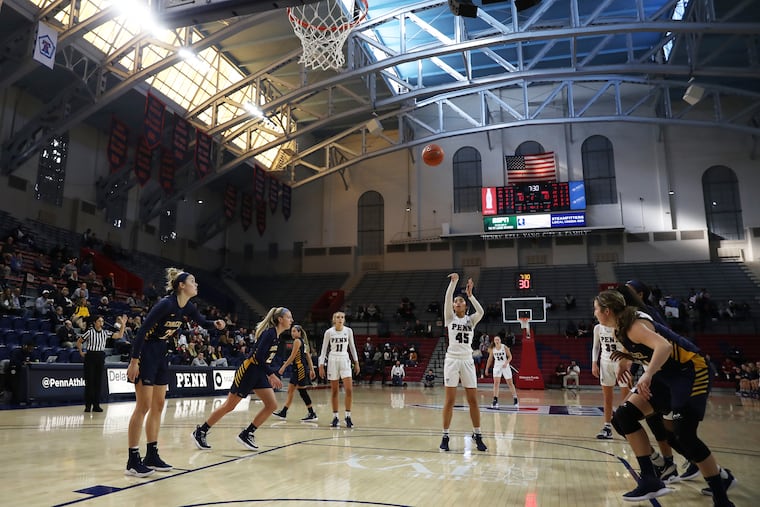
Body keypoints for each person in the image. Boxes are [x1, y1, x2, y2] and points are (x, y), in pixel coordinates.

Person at [594, 289, 736, 506]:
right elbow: (638, 347)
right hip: (666, 376)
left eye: (596, 309)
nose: (594, 313)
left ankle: (721, 497)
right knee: (623, 417)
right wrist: (626, 359)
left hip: (691, 370)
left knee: (683, 434)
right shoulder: (620, 329)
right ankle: (652, 478)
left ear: (606, 311)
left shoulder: (635, 324)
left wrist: (648, 374)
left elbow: (664, 346)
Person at [126, 268, 226, 477]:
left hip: (162, 353)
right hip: (147, 353)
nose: (196, 284)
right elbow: (142, 330)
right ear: (181, 285)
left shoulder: (187, 306)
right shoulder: (166, 304)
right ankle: (133, 459)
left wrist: (215, 324)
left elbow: (202, 322)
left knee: (159, 405)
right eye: (193, 281)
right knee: (143, 406)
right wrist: (134, 362)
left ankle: (151, 454)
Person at [192, 307, 289, 452]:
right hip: (249, 371)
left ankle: (247, 433)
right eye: (289, 317)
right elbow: (257, 357)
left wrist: (268, 373)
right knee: (229, 406)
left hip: (259, 372)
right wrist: (271, 374)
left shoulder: (276, 336)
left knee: (272, 405)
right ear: (280, 319)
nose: (291, 320)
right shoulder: (269, 333)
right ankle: (201, 431)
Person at [440, 273, 487, 452]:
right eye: (456, 301)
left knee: (473, 400)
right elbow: (447, 298)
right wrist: (454, 283)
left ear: (465, 305)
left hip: (467, 360)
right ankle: (445, 436)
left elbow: (481, 312)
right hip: (452, 360)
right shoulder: (450, 318)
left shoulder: (471, 320)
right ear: (453, 305)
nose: (457, 302)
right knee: (449, 400)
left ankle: (478, 434)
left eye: (461, 301)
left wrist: (471, 295)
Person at [77, 314, 126, 413]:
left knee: (98, 382)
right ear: (95, 322)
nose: (101, 323)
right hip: (90, 356)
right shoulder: (89, 332)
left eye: (102, 321)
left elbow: (119, 335)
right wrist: (81, 351)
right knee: (89, 381)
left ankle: (96, 405)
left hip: (100, 356)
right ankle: (88, 405)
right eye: (99, 321)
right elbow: (79, 341)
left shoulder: (105, 333)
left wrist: (123, 325)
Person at [318, 311, 360, 428]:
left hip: (344, 359)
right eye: (337, 317)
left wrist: (356, 362)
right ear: (334, 319)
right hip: (332, 359)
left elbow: (352, 347)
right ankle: (335, 417)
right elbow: (323, 350)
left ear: (344, 319)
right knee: (335, 391)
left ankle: (348, 416)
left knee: (349, 390)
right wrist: (321, 365)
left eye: (342, 317)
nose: (340, 319)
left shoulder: (348, 331)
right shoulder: (329, 332)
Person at [591, 322, 631, 439]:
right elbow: (596, 346)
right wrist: (594, 363)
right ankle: (607, 427)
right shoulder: (598, 328)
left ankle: (627, 427)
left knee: (626, 400)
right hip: (605, 363)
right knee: (607, 399)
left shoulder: (621, 326)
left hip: (621, 363)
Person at [272, 324, 318, 422]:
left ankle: (312, 413)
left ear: (299, 332)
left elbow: (293, 356)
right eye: (291, 331)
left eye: (294, 331)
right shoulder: (302, 342)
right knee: (290, 391)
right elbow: (308, 357)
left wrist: (283, 367)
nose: (292, 333)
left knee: (302, 391)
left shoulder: (297, 341)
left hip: (300, 369)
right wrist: (312, 370)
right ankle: (284, 412)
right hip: (297, 369)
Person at [485, 335, 518, 408]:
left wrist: (506, 363)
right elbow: (490, 360)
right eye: (495, 340)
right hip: (497, 366)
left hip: (505, 366)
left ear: (500, 341)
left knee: (510, 383)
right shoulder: (492, 349)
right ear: (494, 341)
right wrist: (487, 368)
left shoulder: (504, 347)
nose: (497, 341)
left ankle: (515, 398)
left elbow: (510, 357)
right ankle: (495, 399)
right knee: (496, 383)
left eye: (498, 339)